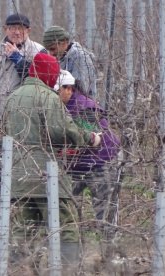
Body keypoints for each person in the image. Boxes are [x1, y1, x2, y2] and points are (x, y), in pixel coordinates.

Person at [2, 53, 102, 273]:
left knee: (24, 227)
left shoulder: (13, 96)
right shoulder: (47, 97)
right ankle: (68, 269)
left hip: (18, 173)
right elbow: (61, 132)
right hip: (45, 175)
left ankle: (16, 269)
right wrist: (89, 138)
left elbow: (4, 132)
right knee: (65, 224)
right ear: (48, 73)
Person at [0, 13, 47, 196]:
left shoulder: (39, 51)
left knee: (18, 157)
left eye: (20, 28)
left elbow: (39, 80)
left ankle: (16, 197)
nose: (16, 32)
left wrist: (16, 58)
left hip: (21, 117)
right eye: (12, 28)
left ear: (28, 30)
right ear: (5, 30)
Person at [54, 69, 120, 241]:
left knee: (103, 209)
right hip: (76, 164)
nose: (54, 94)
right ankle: (75, 246)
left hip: (100, 161)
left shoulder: (85, 108)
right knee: (67, 206)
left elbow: (91, 140)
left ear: (69, 89)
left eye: (57, 91)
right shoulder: (62, 106)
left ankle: (108, 251)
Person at [42, 25, 97, 99]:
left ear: (64, 42)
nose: (51, 53)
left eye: (53, 49)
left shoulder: (80, 57)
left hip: (81, 107)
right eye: (48, 50)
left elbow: (81, 89)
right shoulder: (60, 57)